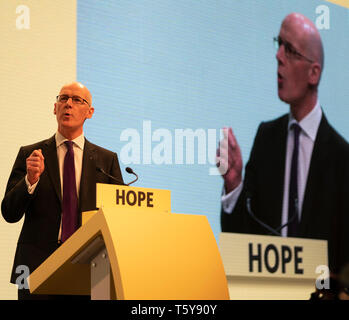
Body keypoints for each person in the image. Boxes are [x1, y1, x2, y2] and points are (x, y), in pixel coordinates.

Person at [217, 13, 349, 276]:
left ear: (314, 73)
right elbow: (243, 241)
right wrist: (234, 184)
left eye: (289, 50)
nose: (278, 56)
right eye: (279, 44)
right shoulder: (266, 138)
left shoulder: (342, 158)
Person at [1, 82, 124, 299]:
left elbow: (119, 216)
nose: (68, 104)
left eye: (77, 100)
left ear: (90, 112)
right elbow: (9, 213)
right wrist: (30, 180)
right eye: (63, 98)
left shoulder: (106, 160)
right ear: (54, 108)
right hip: (36, 266)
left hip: (91, 267)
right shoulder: (31, 154)